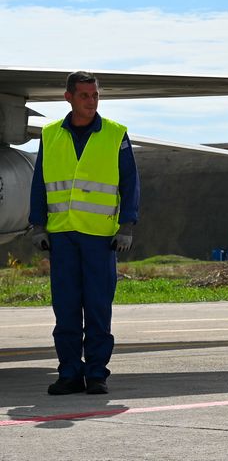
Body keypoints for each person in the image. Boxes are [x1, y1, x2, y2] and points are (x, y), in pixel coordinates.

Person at [29, 71, 140, 396]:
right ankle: (69, 374)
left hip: (101, 238)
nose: (91, 102)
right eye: (84, 96)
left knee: (97, 309)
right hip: (62, 236)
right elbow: (40, 184)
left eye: (94, 96)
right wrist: (38, 225)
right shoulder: (50, 135)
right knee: (65, 310)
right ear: (68, 98)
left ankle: (96, 375)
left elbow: (130, 182)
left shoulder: (115, 134)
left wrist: (127, 225)